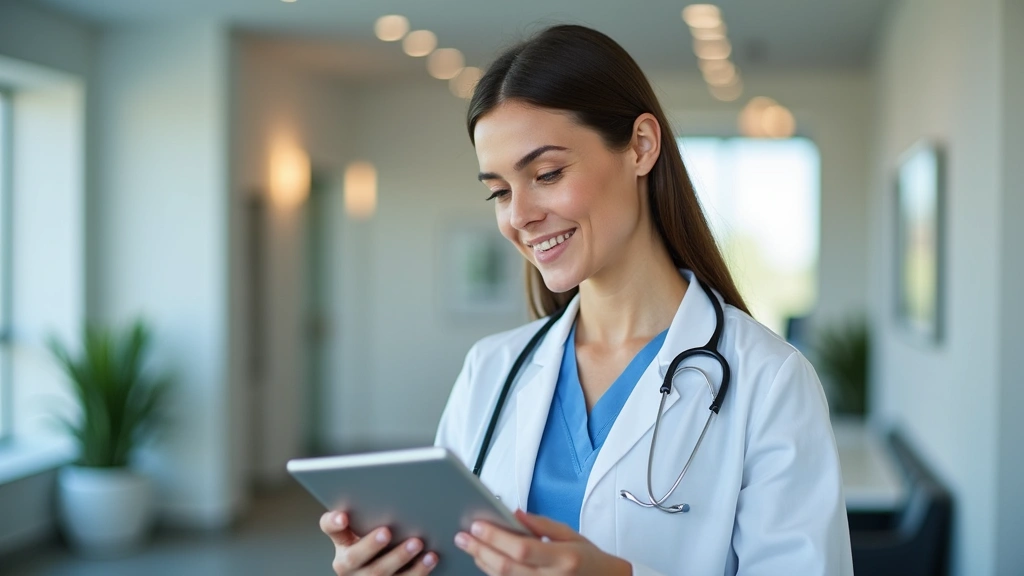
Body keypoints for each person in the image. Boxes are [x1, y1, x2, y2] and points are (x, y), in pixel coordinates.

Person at [320, 24, 854, 576]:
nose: (519, 215)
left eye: (547, 174)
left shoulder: (769, 380)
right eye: (500, 191)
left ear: (642, 147)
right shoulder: (492, 369)